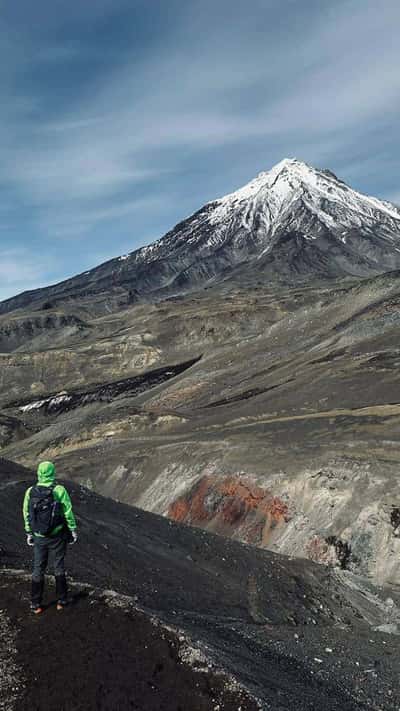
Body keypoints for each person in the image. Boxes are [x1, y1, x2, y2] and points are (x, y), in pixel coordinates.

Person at [23, 461, 78, 614]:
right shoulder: (59, 490)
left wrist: (29, 532)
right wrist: (73, 530)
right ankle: (62, 601)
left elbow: (27, 513)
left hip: (39, 536)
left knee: (38, 568)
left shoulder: (30, 491)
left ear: (39, 473)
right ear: (53, 472)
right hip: (57, 535)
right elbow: (68, 512)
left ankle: (36, 604)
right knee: (58, 565)